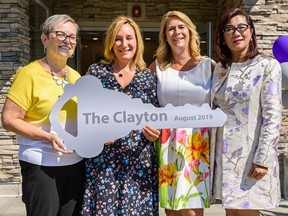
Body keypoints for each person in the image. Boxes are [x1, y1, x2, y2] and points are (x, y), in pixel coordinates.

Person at [1, 15, 84, 216]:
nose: (68, 40)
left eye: (72, 37)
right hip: (41, 163)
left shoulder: (76, 77)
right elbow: (9, 119)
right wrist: (46, 136)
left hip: (75, 164)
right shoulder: (29, 74)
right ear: (45, 39)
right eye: (61, 34)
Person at [81, 15, 160, 215]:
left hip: (139, 163)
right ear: (110, 43)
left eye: (129, 38)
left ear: (137, 42)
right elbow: (82, 116)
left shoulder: (148, 77)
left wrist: (155, 132)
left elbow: (156, 116)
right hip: (104, 163)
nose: (124, 44)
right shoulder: (96, 73)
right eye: (118, 38)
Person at [211, 8, 282, 216]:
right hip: (223, 156)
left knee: (247, 212)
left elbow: (272, 116)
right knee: (231, 211)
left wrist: (263, 159)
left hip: (250, 157)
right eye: (229, 29)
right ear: (223, 36)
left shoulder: (267, 66)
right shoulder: (221, 68)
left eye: (242, 27)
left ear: (251, 31)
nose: (236, 33)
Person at [148, 11, 216, 216]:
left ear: (190, 31)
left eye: (181, 27)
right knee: (172, 210)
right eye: (171, 29)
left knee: (192, 212)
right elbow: (141, 99)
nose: (176, 32)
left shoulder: (208, 66)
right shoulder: (158, 68)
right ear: (165, 36)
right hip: (168, 143)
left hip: (198, 145)